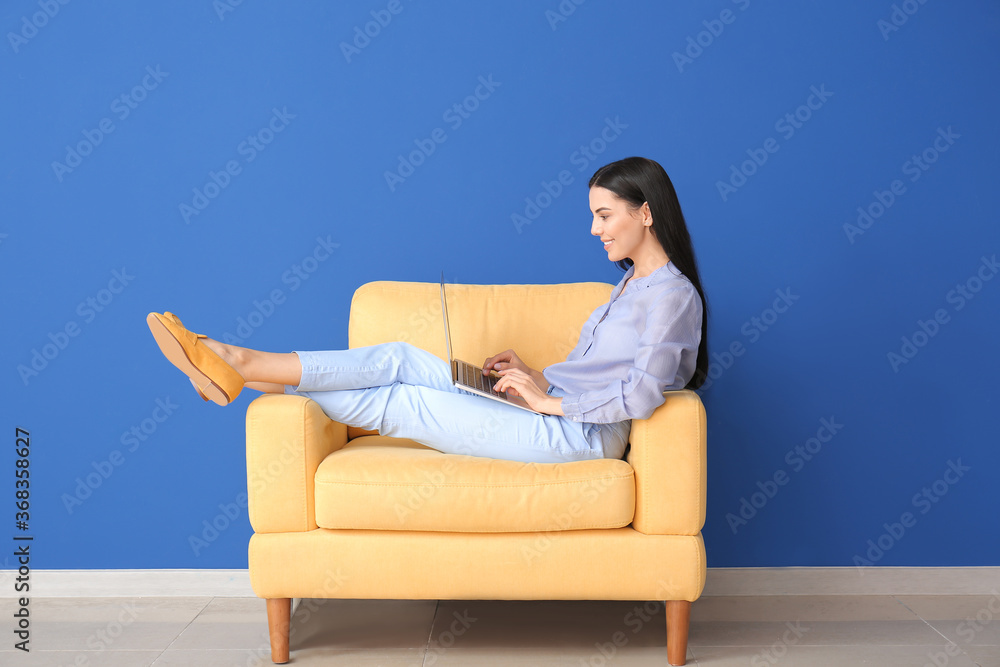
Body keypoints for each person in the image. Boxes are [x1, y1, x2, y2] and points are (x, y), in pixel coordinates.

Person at [147, 157, 709, 464]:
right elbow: (597, 374)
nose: (595, 229)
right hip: (552, 410)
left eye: (605, 215)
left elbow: (642, 392)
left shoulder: (673, 296)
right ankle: (239, 364)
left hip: (580, 438)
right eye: (594, 215)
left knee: (403, 402)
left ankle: (235, 366)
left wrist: (546, 403)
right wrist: (532, 378)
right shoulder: (629, 287)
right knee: (398, 357)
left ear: (646, 213)